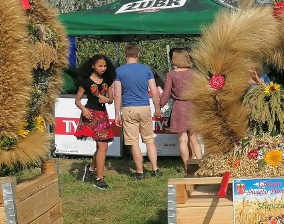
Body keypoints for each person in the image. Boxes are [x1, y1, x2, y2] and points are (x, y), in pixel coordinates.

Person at [114, 43, 162, 180]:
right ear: (138, 54)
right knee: (149, 140)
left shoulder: (119, 71)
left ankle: (140, 172)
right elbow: (154, 92)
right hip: (144, 107)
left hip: (129, 108)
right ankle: (155, 168)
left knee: (134, 142)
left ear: (125, 54)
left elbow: (117, 95)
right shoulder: (146, 69)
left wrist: (117, 114)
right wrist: (157, 108)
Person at [74, 54, 116, 190]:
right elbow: (77, 100)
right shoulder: (85, 82)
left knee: (102, 147)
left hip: (103, 116)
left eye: (105, 66)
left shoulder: (108, 80)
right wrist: (83, 109)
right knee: (102, 147)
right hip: (90, 115)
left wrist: (107, 100)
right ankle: (99, 178)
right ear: (93, 66)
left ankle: (91, 169)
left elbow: (111, 99)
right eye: (100, 66)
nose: (103, 68)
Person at [159, 48, 202, 170]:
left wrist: (160, 104)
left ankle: (188, 167)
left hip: (179, 107)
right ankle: (200, 164)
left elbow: (166, 93)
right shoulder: (194, 73)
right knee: (194, 138)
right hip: (193, 106)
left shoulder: (171, 74)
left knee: (182, 139)